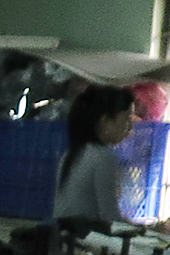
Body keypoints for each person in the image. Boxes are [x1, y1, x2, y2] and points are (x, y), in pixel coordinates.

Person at [52, 85, 137, 227]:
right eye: (126, 119)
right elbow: (110, 216)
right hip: (85, 238)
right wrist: (143, 229)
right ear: (105, 121)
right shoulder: (102, 156)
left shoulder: (73, 153)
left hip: (66, 235)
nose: (129, 127)